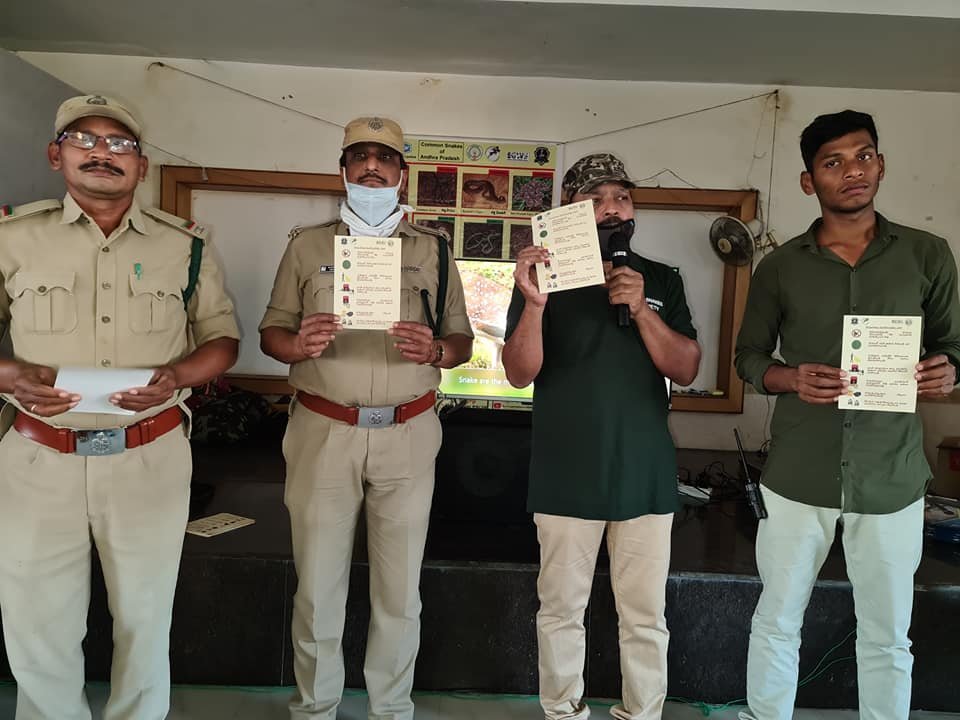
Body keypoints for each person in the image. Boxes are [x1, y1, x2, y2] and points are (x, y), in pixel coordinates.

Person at [0, 94, 239, 720]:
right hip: (38, 456)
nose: (103, 152)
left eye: (120, 144)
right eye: (85, 139)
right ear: (57, 155)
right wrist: (11, 373)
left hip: (148, 453)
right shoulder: (12, 237)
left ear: (142, 166)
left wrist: (177, 376)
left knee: (144, 615)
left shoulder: (183, 245)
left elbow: (221, 339)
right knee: (38, 620)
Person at [735, 109, 960, 720]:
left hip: (890, 476)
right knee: (778, 619)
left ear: (881, 164)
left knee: (888, 636)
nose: (852, 171)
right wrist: (790, 377)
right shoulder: (779, 267)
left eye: (863, 156)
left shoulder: (928, 255)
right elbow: (748, 358)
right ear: (810, 182)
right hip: (798, 474)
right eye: (833, 162)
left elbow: (953, 344)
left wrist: (949, 370)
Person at [259, 116, 474, 720]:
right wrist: (296, 345)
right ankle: (316, 707)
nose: (371, 167)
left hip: (408, 432)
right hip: (323, 428)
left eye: (384, 158)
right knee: (318, 586)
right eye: (360, 157)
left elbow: (460, 339)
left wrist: (436, 351)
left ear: (403, 172)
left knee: (400, 588)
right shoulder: (306, 245)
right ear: (344, 169)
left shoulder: (432, 247)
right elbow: (271, 331)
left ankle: (390, 708)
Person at [502, 152, 701, 720]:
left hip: (644, 473)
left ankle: (642, 712)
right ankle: (562, 711)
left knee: (644, 614)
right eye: (593, 200)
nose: (611, 208)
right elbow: (519, 372)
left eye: (621, 197)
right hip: (566, 472)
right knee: (561, 609)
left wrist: (641, 309)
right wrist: (535, 306)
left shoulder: (659, 278)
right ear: (568, 212)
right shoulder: (541, 281)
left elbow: (685, 368)